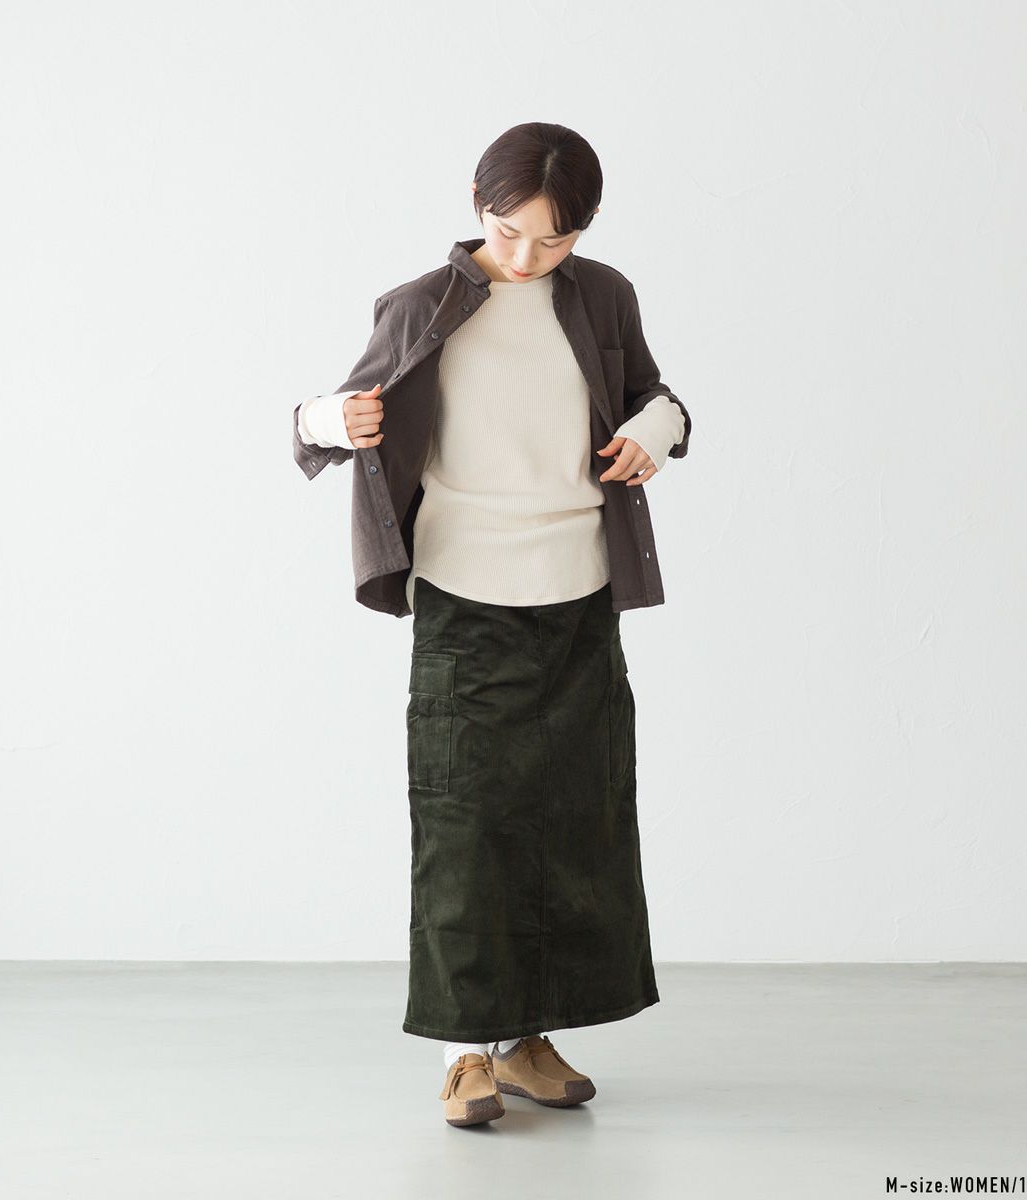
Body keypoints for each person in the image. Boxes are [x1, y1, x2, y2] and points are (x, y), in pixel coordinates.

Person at [294, 122, 691, 1128]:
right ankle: (466, 1054)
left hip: (578, 597)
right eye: (510, 231)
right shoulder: (420, 305)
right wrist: (332, 420)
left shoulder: (603, 296)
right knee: (466, 828)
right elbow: (314, 421)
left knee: (572, 822)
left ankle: (527, 1040)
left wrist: (654, 429)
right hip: (463, 597)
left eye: (554, 240)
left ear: (583, 231)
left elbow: (659, 400)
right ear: (479, 205)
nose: (526, 257)